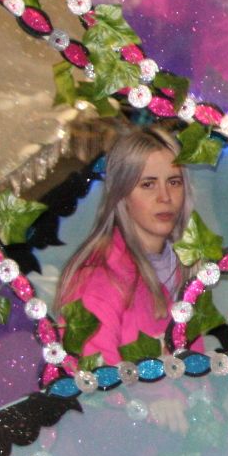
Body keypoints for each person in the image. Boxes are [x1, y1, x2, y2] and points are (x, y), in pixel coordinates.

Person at [55, 124, 192, 364]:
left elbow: (196, 365)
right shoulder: (98, 281)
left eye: (174, 182)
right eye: (147, 184)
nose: (165, 197)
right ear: (122, 194)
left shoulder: (183, 267)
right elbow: (95, 387)